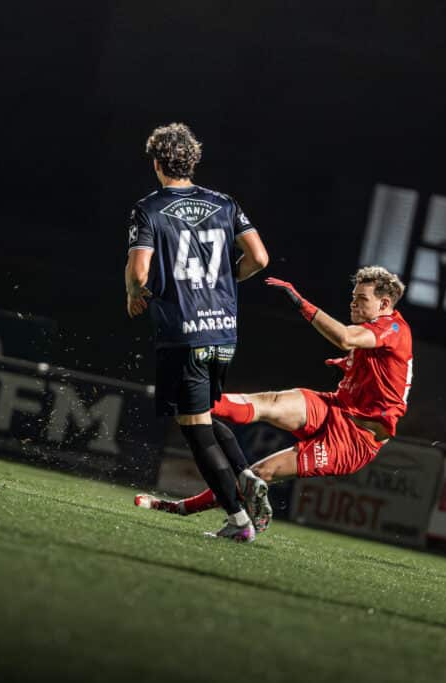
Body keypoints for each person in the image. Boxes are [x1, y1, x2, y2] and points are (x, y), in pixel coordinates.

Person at [135, 266, 413, 533]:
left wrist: (301, 303)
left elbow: (345, 338)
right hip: (336, 407)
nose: (353, 304)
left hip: (354, 440)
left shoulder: (394, 329)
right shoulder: (377, 329)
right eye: (353, 297)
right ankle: (195, 399)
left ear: (385, 303)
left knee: (260, 473)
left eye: (362, 299)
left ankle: (183, 508)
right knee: (270, 401)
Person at [126, 122, 270, 542]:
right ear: (193, 161)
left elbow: (139, 270)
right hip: (224, 331)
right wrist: (221, 282)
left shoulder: (149, 208)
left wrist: (135, 293)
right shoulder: (224, 203)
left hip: (185, 332)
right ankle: (243, 474)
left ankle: (239, 522)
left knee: (193, 427)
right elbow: (259, 257)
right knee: (203, 413)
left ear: (156, 163)